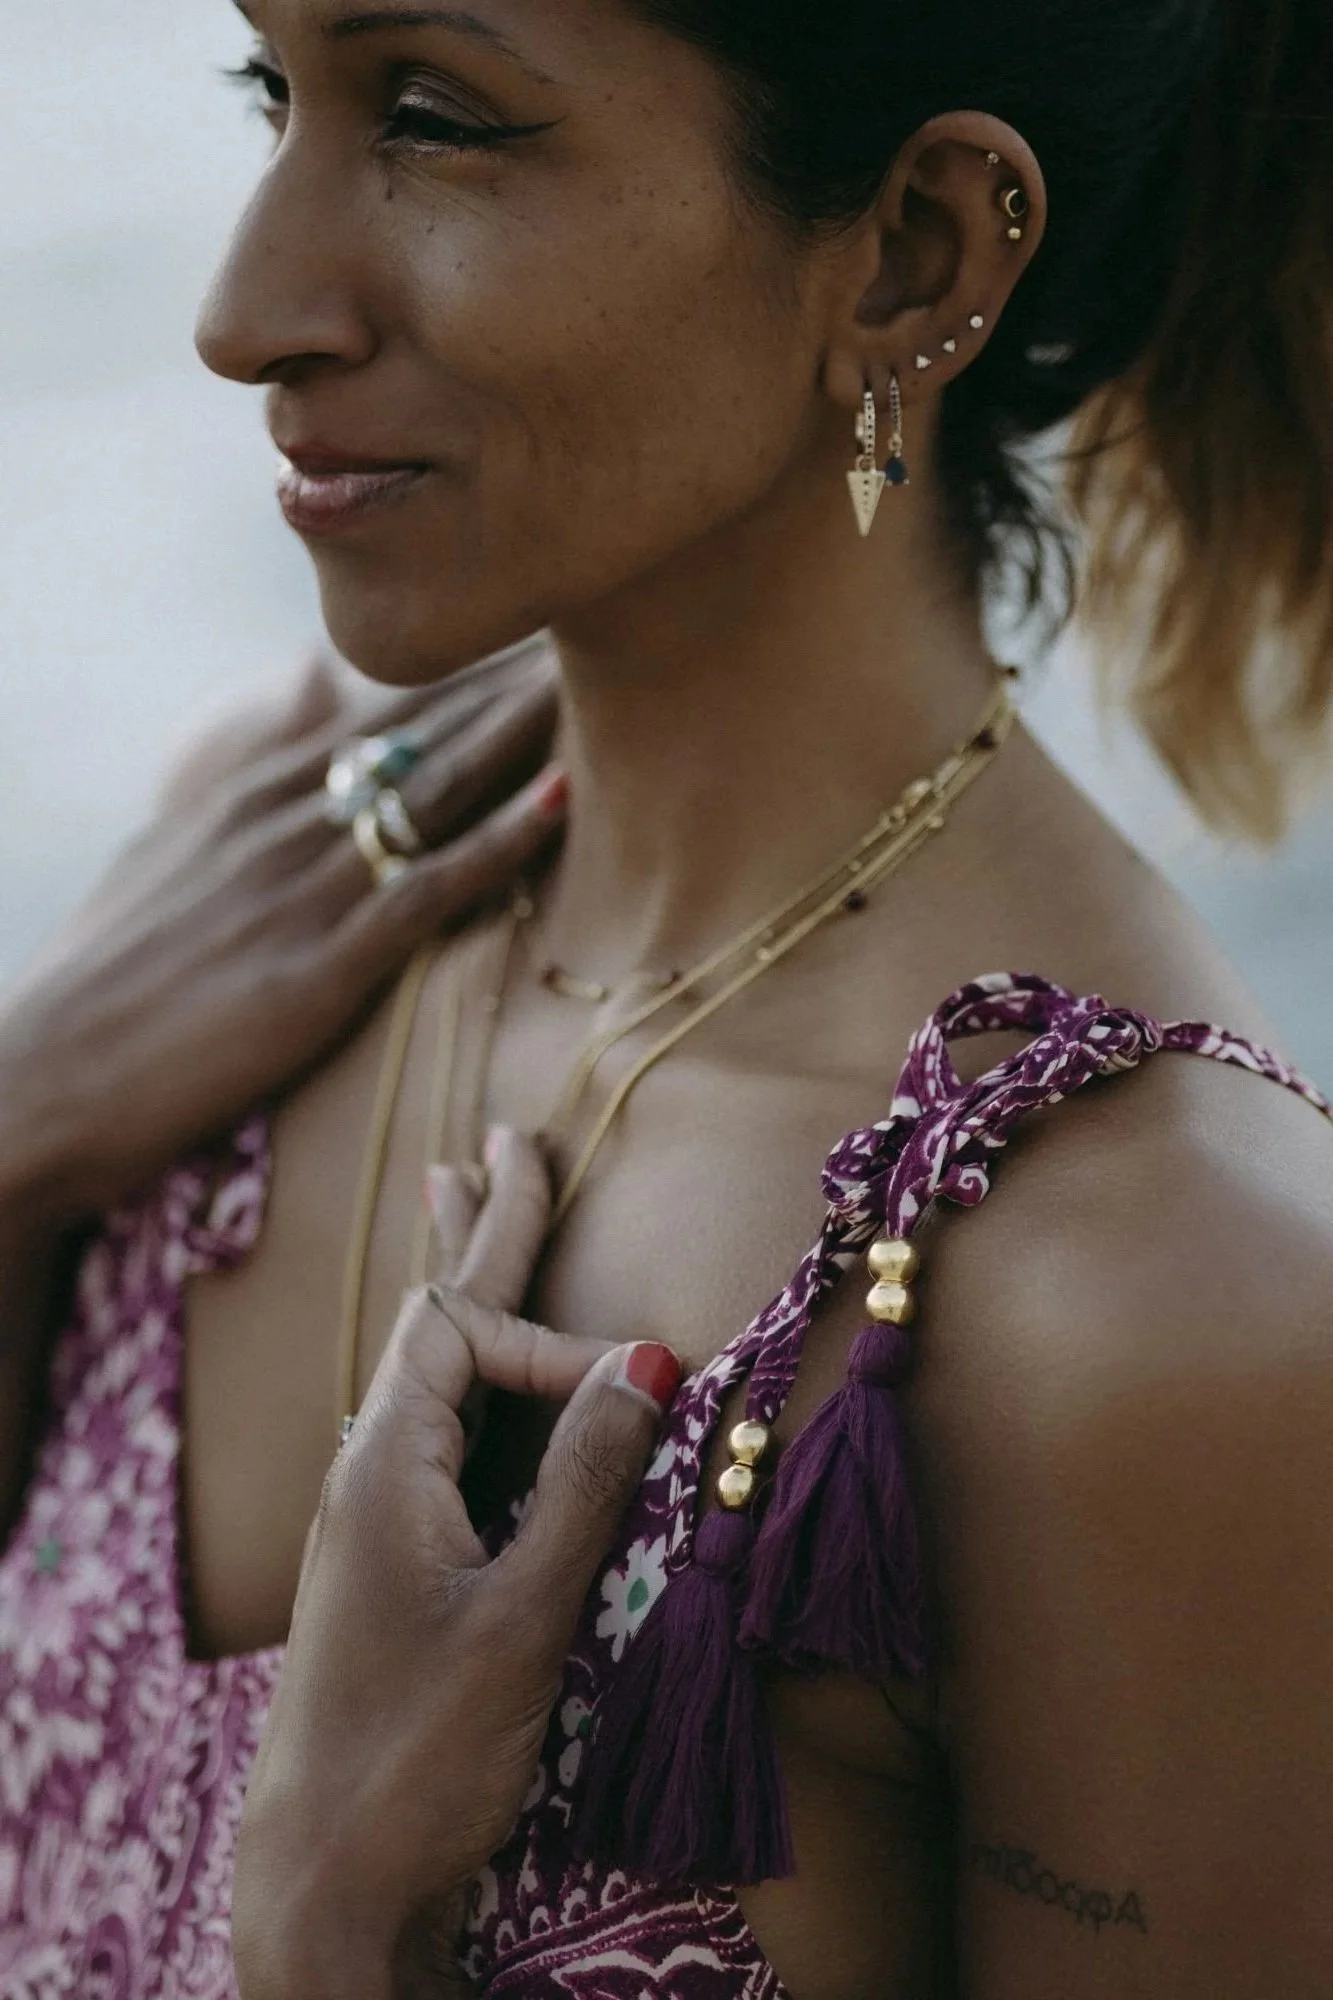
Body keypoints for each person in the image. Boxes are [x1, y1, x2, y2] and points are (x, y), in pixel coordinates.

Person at [4, 0, 1333, 1992]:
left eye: (436, 119)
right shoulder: (241, 898)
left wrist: (335, 1926)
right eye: (273, 92)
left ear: (914, 254)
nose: (244, 307)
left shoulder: (1144, 1313)